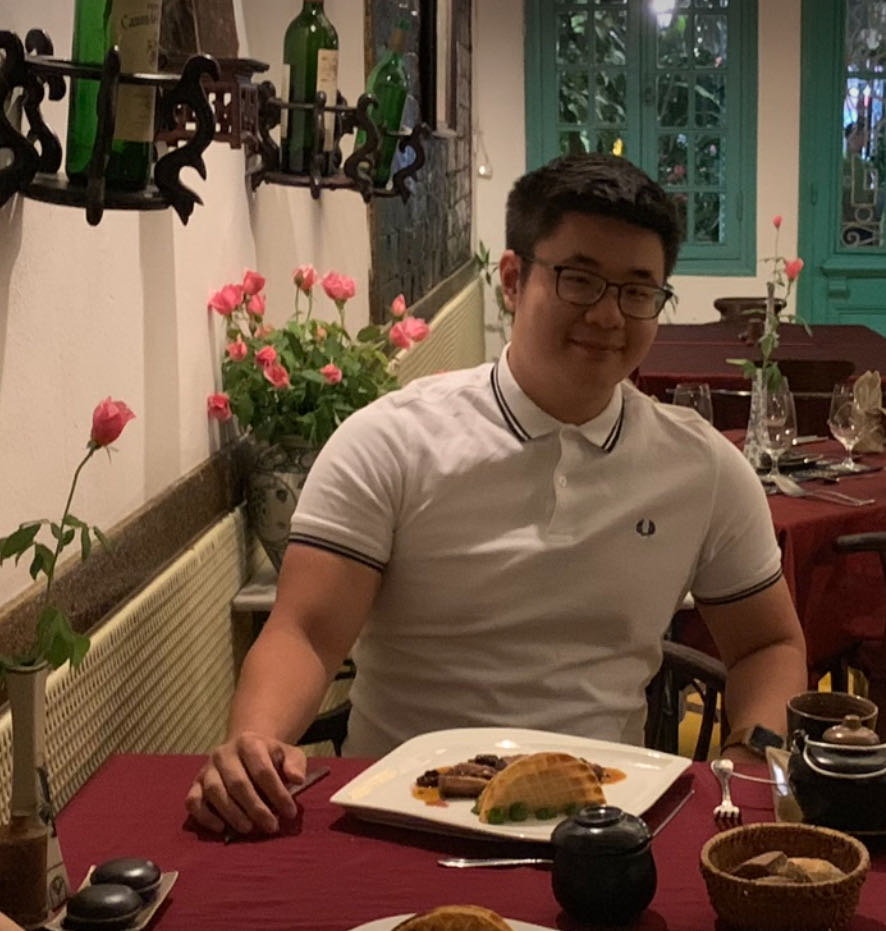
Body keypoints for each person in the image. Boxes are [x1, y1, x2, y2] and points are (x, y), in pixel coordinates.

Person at [186, 153, 807, 836]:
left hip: (604, 828)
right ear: (513, 279)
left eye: (638, 291)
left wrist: (754, 756)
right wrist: (257, 744)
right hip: (407, 819)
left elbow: (767, 644)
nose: (608, 315)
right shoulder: (391, 442)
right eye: (579, 280)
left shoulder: (702, 467)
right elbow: (306, 632)